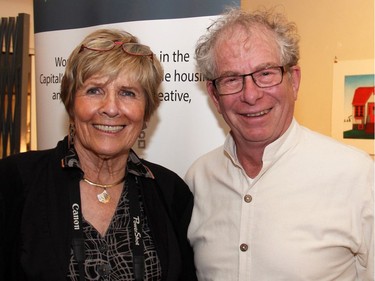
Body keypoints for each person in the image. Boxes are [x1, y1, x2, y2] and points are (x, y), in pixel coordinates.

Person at [186, 7, 374, 281]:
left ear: (294, 81)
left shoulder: (357, 176)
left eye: (265, 73)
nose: (250, 95)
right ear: (214, 97)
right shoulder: (197, 179)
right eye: (232, 79)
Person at [0, 28, 196, 281]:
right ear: (71, 103)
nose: (111, 108)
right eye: (94, 90)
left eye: (128, 93)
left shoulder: (170, 193)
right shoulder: (13, 182)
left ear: (146, 111)